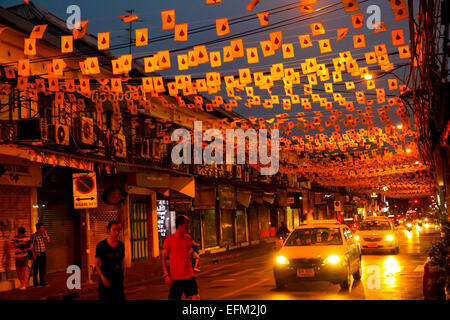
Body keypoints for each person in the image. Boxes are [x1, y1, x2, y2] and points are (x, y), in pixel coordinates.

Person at [162, 215, 199, 300]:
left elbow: (189, 252)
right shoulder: (169, 240)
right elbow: (163, 258)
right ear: (179, 226)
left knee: (195, 296)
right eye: (186, 226)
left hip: (189, 274)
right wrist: (166, 275)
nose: (188, 229)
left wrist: (194, 254)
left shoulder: (188, 238)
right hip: (176, 276)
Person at [95, 220, 125, 301]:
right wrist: (102, 277)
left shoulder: (121, 246)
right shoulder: (101, 246)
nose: (117, 232)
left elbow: (122, 262)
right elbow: (97, 264)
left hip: (118, 281)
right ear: (108, 230)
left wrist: (122, 276)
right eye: (114, 229)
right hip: (106, 280)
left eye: (118, 230)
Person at [31, 222, 50, 287]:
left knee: (42, 268)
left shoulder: (43, 235)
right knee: (36, 269)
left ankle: (42, 281)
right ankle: (35, 283)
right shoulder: (34, 236)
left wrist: (46, 234)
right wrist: (33, 254)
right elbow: (31, 246)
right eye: (42, 227)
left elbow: (48, 241)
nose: (43, 228)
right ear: (38, 228)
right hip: (37, 254)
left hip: (43, 254)